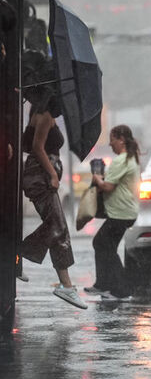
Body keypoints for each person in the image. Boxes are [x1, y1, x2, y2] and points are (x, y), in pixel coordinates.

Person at [21, 100, 87, 309]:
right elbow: (37, 149)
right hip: (40, 179)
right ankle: (65, 285)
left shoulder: (39, 115)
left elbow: (27, 145)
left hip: (38, 177)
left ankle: (18, 254)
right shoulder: (46, 116)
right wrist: (52, 175)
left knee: (56, 227)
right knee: (58, 227)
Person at [85, 125, 140, 301]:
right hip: (123, 212)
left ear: (121, 139)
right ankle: (105, 285)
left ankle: (121, 290)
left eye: (112, 139)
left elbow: (108, 186)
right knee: (104, 245)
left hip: (121, 213)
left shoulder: (122, 160)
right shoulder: (130, 159)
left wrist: (97, 178)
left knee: (104, 245)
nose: (110, 144)